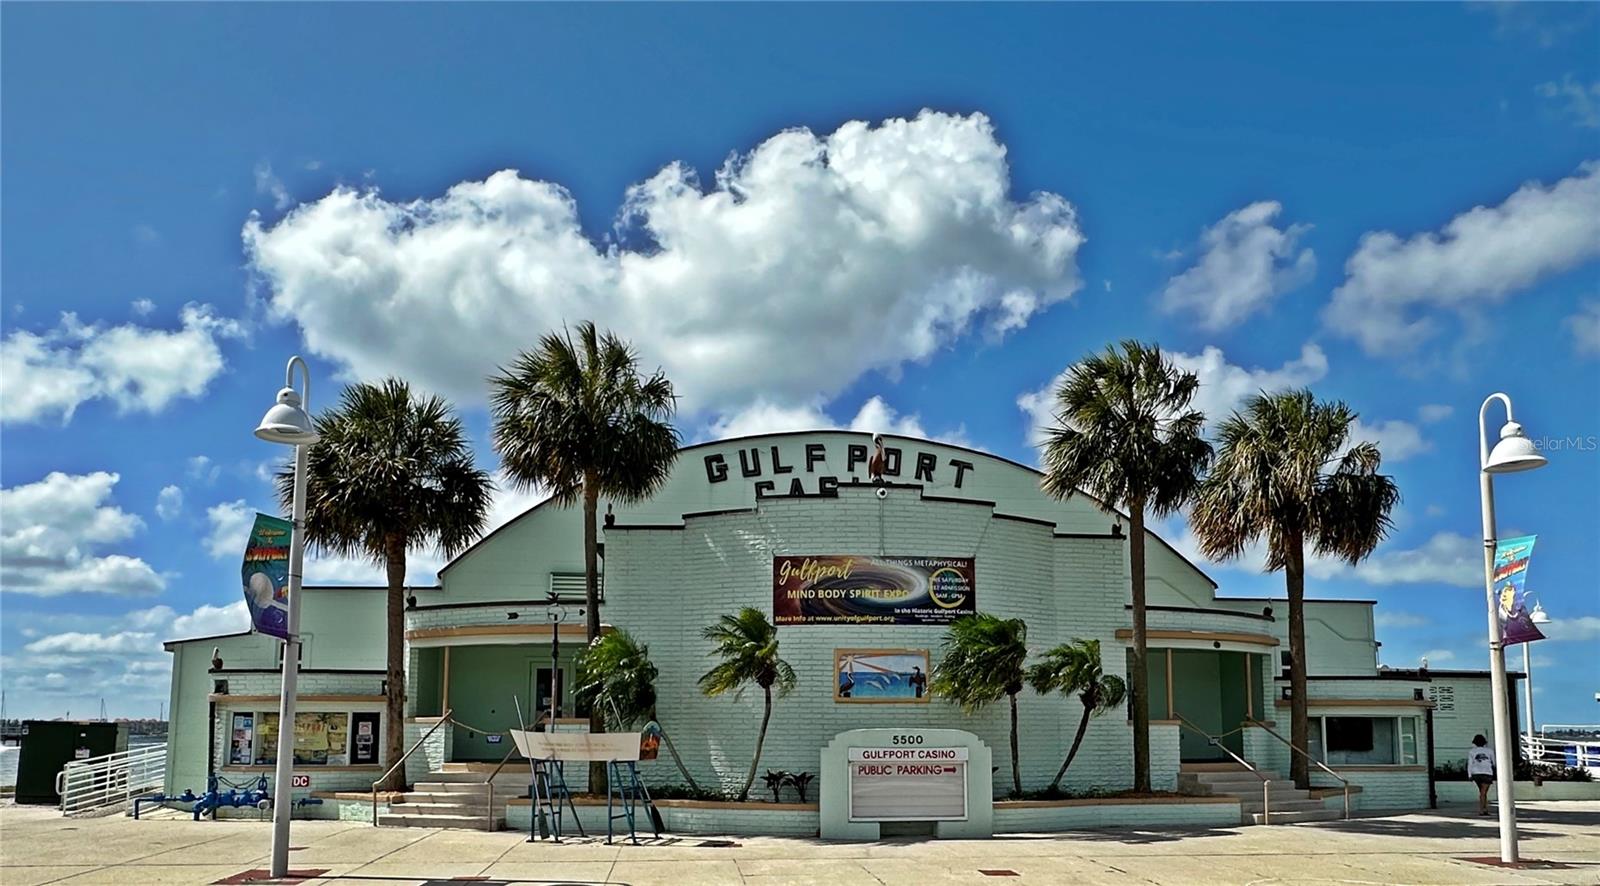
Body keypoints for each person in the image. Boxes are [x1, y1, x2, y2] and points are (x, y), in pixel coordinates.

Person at [1468, 734, 1495, 816]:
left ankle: (1485, 809)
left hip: (1476, 773)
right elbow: (1494, 762)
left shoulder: (1472, 751)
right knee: (1483, 792)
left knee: (1482, 792)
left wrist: (1469, 775)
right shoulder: (1490, 751)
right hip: (1487, 773)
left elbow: (1470, 764)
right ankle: (1482, 809)